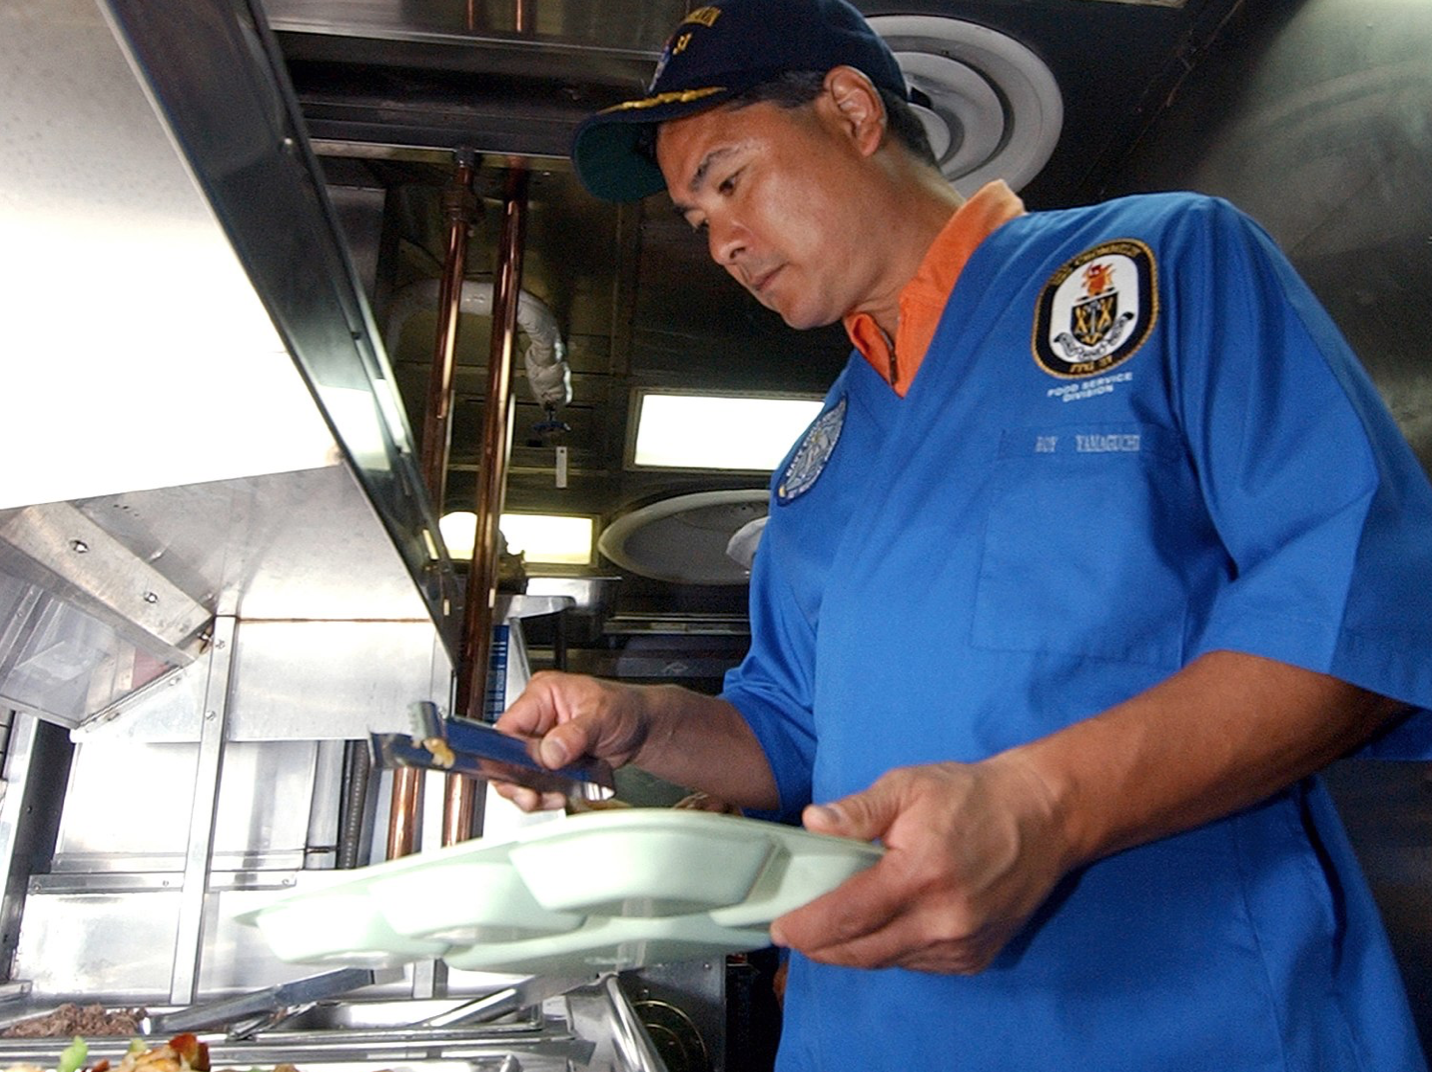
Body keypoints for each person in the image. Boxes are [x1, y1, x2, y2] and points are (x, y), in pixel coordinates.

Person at [495, 0, 1432, 1067]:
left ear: (851, 111)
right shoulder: (815, 466)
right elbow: (792, 734)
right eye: (695, 218)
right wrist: (641, 723)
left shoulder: (1157, 262)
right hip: (867, 1034)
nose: (721, 243)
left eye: (729, 180)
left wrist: (1040, 808)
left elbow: (1361, 601)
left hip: (1175, 1018)